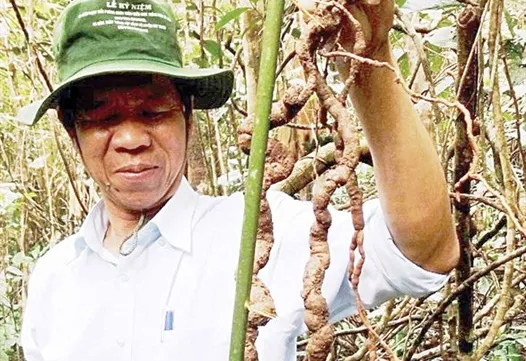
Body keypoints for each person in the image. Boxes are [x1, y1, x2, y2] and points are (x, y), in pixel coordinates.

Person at [16, 0, 459, 360]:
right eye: (103, 117)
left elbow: (424, 251)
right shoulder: (54, 279)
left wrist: (369, 52)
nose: (131, 137)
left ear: (188, 118)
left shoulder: (259, 234)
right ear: (71, 130)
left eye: (153, 111)